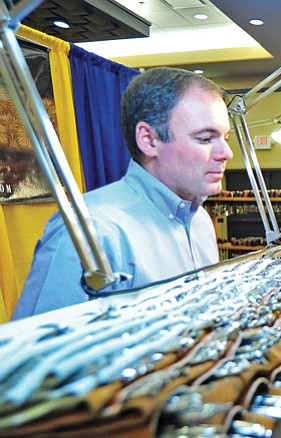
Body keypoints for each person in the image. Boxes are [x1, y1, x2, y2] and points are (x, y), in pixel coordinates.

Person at [12, 67, 233, 319]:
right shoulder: (89, 232)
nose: (226, 153)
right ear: (149, 140)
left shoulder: (201, 223)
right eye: (206, 138)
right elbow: (40, 354)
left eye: (225, 137)